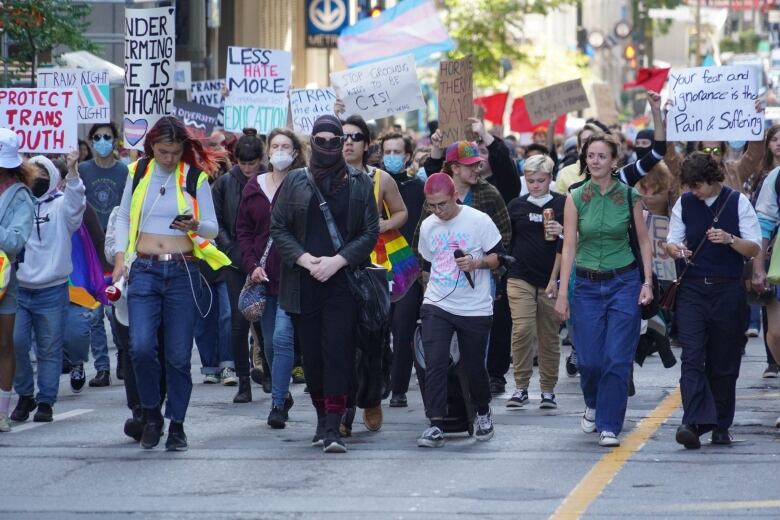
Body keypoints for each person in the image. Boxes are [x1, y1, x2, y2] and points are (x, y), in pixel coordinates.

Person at [113, 116, 230, 451]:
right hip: (145, 270)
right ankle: (151, 412)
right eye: (163, 152)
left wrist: (195, 224)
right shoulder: (136, 173)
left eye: (175, 152)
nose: (169, 158)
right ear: (151, 147)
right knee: (140, 346)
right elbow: (123, 216)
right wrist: (121, 257)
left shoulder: (194, 177)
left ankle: (176, 423)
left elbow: (211, 227)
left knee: (178, 357)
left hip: (182, 272)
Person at [270, 115, 378, 453]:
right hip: (303, 284)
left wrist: (338, 260)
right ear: (312, 143)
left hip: (343, 283)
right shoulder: (295, 182)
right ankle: (321, 417)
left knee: (339, 353)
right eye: (323, 140)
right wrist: (304, 259)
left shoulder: (360, 183)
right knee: (312, 358)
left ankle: (334, 426)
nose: (331, 146)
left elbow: (369, 232)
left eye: (338, 140)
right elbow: (279, 227)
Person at [554, 133, 655, 448]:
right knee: (589, 360)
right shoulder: (575, 197)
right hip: (585, 285)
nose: (595, 161)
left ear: (614, 161)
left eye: (601, 156)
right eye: (590, 155)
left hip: (624, 282)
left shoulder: (629, 196)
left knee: (617, 358)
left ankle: (610, 424)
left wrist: (647, 282)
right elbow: (568, 245)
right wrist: (561, 291)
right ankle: (593, 402)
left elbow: (643, 241)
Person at [668, 152, 761, 448]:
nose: (694, 192)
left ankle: (720, 423)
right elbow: (671, 241)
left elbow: (754, 248)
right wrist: (676, 250)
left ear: (712, 180)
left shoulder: (738, 202)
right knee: (692, 357)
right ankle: (693, 422)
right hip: (693, 289)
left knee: (724, 359)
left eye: (698, 186)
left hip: (727, 290)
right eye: (690, 186)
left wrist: (730, 239)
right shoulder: (684, 203)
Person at [416, 173, 504, 448]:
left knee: (473, 364)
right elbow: (428, 264)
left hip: (474, 305)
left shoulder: (478, 220)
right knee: (435, 362)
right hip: (437, 302)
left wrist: (476, 263)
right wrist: (425, 297)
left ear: (455, 196)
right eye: (431, 205)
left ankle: (482, 411)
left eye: (442, 204)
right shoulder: (429, 226)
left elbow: (500, 256)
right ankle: (435, 423)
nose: (437, 211)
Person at [417, 139, 512, 394]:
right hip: (441, 292)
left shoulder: (489, 194)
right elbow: (423, 245)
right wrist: (426, 289)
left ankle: (478, 398)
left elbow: (503, 240)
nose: (476, 170)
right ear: (454, 168)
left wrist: (489, 270)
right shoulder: (435, 198)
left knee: (473, 354)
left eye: (478, 164)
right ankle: (443, 408)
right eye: (469, 165)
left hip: (480, 283)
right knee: (438, 354)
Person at [339, 113, 407, 434]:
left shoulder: (381, 179)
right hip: (337, 271)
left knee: (372, 342)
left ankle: (372, 398)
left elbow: (402, 212)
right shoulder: (321, 178)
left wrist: (382, 224)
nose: (347, 143)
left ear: (367, 144)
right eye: (342, 137)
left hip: (372, 271)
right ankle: (342, 410)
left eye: (354, 137)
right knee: (341, 344)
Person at [237, 128, 305, 428]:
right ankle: (282, 392)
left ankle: (277, 404)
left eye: (285, 146)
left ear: (295, 152)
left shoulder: (304, 184)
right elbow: (245, 230)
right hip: (264, 278)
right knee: (269, 345)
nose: (279, 150)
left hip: (293, 275)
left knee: (282, 337)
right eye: (275, 145)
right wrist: (252, 266)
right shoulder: (253, 187)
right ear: (268, 150)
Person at [11, 153, 86, 423]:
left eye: (44, 176)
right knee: (16, 342)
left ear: (53, 178)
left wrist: (74, 171)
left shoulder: (63, 206)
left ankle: (45, 401)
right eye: (33, 175)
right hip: (19, 289)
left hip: (52, 290)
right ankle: (24, 394)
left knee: (49, 349)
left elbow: (77, 203)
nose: (38, 180)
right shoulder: (18, 204)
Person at [505, 155, 565, 409]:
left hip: (552, 278)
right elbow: (509, 239)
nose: (536, 185)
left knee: (549, 335)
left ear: (550, 179)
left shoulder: (563, 203)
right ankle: (520, 386)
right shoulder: (516, 205)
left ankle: (548, 389)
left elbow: (573, 241)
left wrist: (561, 230)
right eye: (530, 181)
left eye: (541, 180)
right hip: (520, 275)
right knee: (522, 330)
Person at [212, 128, 267, 402]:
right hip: (234, 260)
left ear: (261, 159)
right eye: (243, 163)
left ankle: (268, 370)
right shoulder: (224, 183)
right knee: (238, 322)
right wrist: (229, 248)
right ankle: (244, 382)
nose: (247, 168)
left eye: (252, 163)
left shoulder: (271, 179)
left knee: (265, 322)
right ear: (235, 160)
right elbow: (216, 220)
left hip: (266, 259)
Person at [377, 132, 425, 408]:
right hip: (376, 266)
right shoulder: (372, 183)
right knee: (378, 328)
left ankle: (398, 388)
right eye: (387, 151)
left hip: (407, 267)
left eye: (397, 151)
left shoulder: (418, 188)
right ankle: (379, 380)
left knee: (403, 327)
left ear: (407, 156)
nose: (391, 156)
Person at [78, 122, 129, 384]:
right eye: (96, 137)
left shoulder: (124, 172)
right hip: (89, 251)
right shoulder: (83, 170)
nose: (102, 141)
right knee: (94, 313)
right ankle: (102, 368)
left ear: (115, 140)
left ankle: (122, 354)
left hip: (114, 250)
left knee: (115, 309)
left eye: (106, 137)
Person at [0, 129, 34, 432]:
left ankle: (2, 410)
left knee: (4, 343)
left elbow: (14, 241)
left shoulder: (21, 197)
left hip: (3, 281)